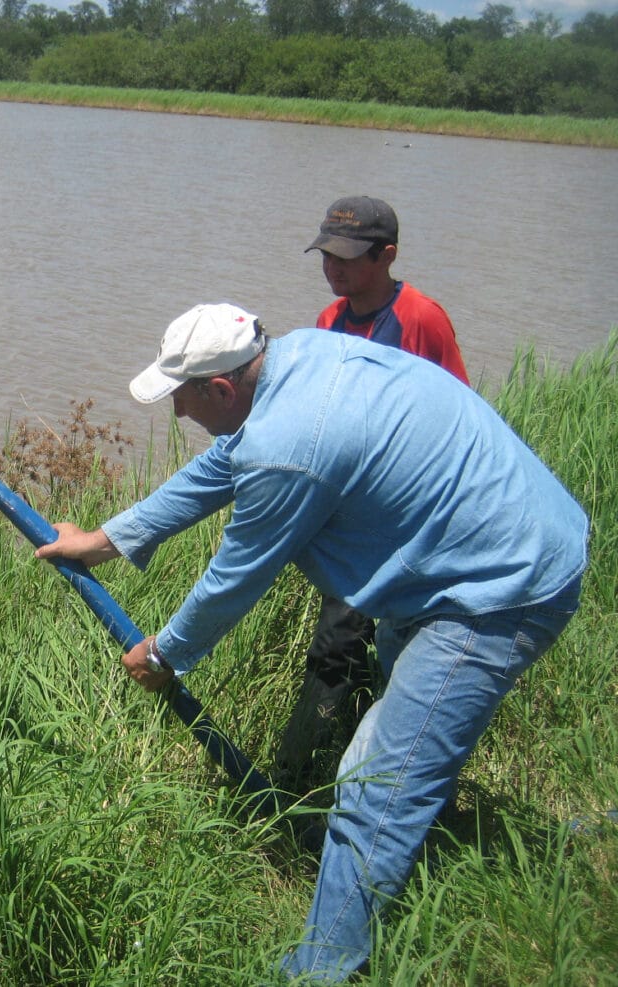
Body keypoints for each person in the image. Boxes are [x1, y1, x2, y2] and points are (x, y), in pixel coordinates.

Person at [35, 302, 587, 982]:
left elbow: (232, 579)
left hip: (499, 587)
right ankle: (426, 838)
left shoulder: (292, 443)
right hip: (475, 547)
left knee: (375, 784)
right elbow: (219, 470)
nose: (179, 415)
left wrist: (165, 653)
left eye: (181, 399)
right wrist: (103, 540)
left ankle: (324, 967)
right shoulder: (297, 359)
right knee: (411, 741)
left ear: (221, 388)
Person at [276, 196, 471, 791]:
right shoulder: (328, 321)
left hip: (411, 520)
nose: (334, 267)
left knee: (394, 649)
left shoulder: (421, 318)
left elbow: (460, 415)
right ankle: (303, 778)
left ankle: (368, 777)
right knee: (337, 646)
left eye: (349, 257)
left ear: (387, 254)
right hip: (350, 518)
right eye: (326, 255)